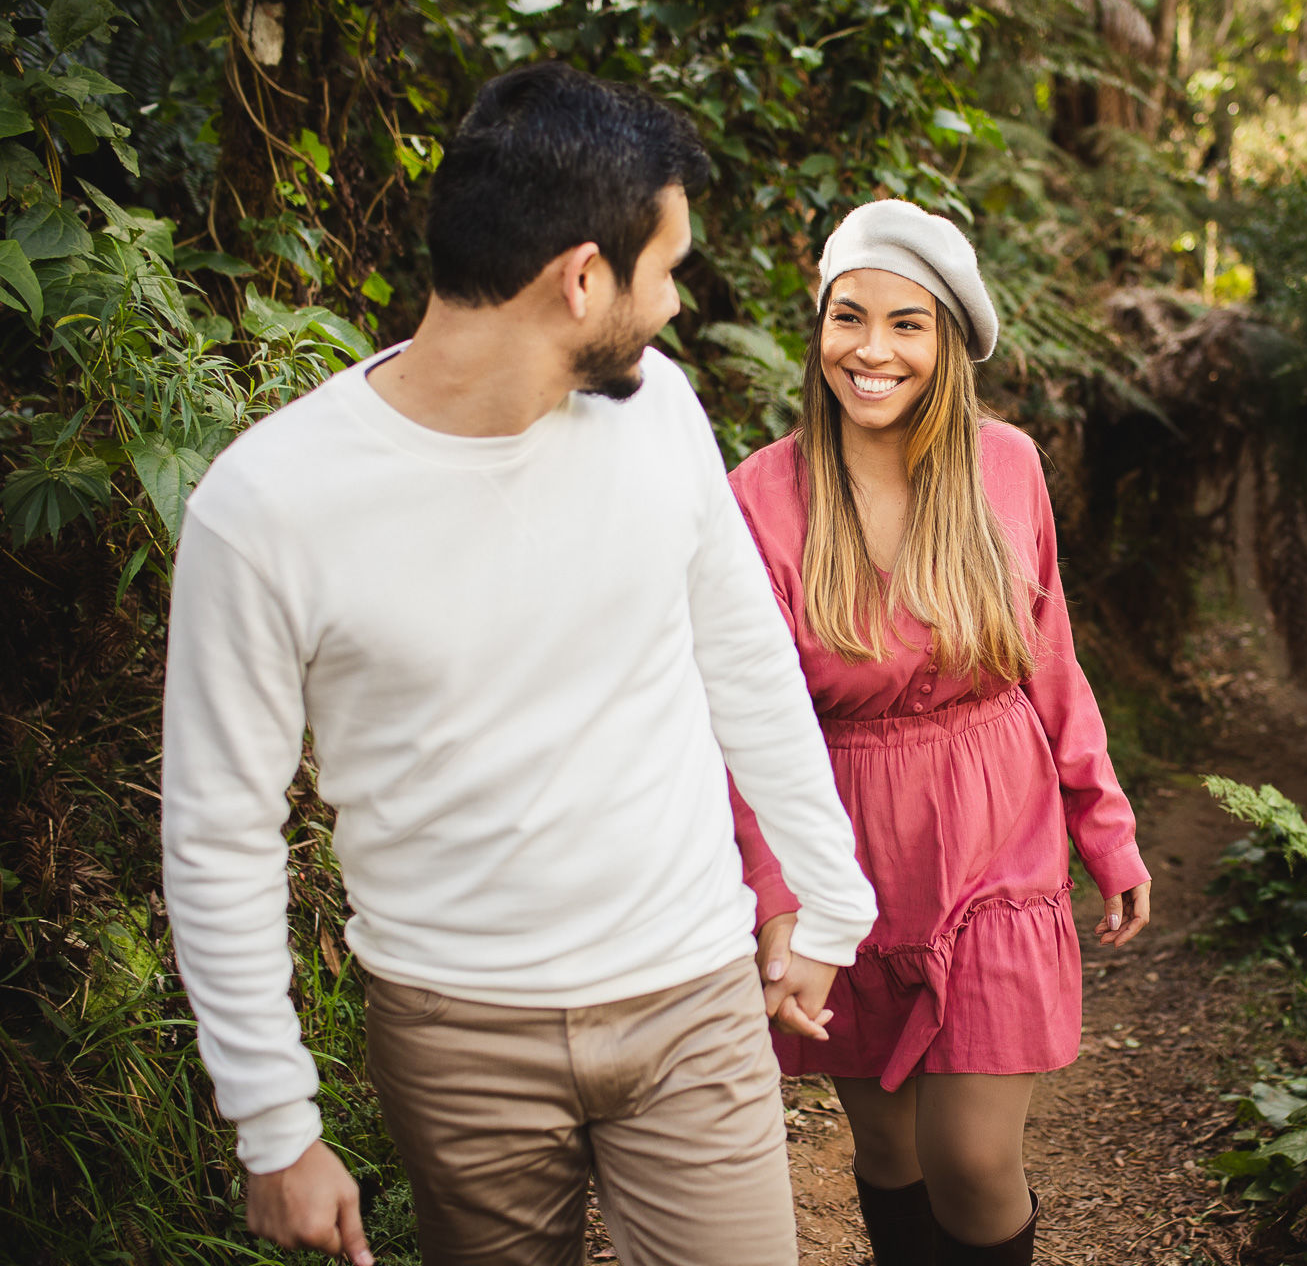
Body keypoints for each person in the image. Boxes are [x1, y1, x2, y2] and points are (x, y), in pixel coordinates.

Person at [159, 63, 877, 1266]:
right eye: (666, 272)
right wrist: (274, 1126)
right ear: (583, 277)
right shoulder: (268, 509)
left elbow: (744, 659)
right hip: (456, 1036)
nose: (675, 308)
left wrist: (832, 895)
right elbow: (218, 830)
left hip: (693, 993)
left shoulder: (660, 416)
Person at [729, 200, 1154, 1265]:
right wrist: (777, 896)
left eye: (906, 323)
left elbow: (1050, 654)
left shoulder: (1003, 466)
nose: (872, 350)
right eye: (848, 317)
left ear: (950, 342)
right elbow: (741, 718)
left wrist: (1103, 822)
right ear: (818, 326)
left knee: (968, 1155)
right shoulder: (759, 496)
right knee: (887, 1146)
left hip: (995, 833)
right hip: (849, 850)